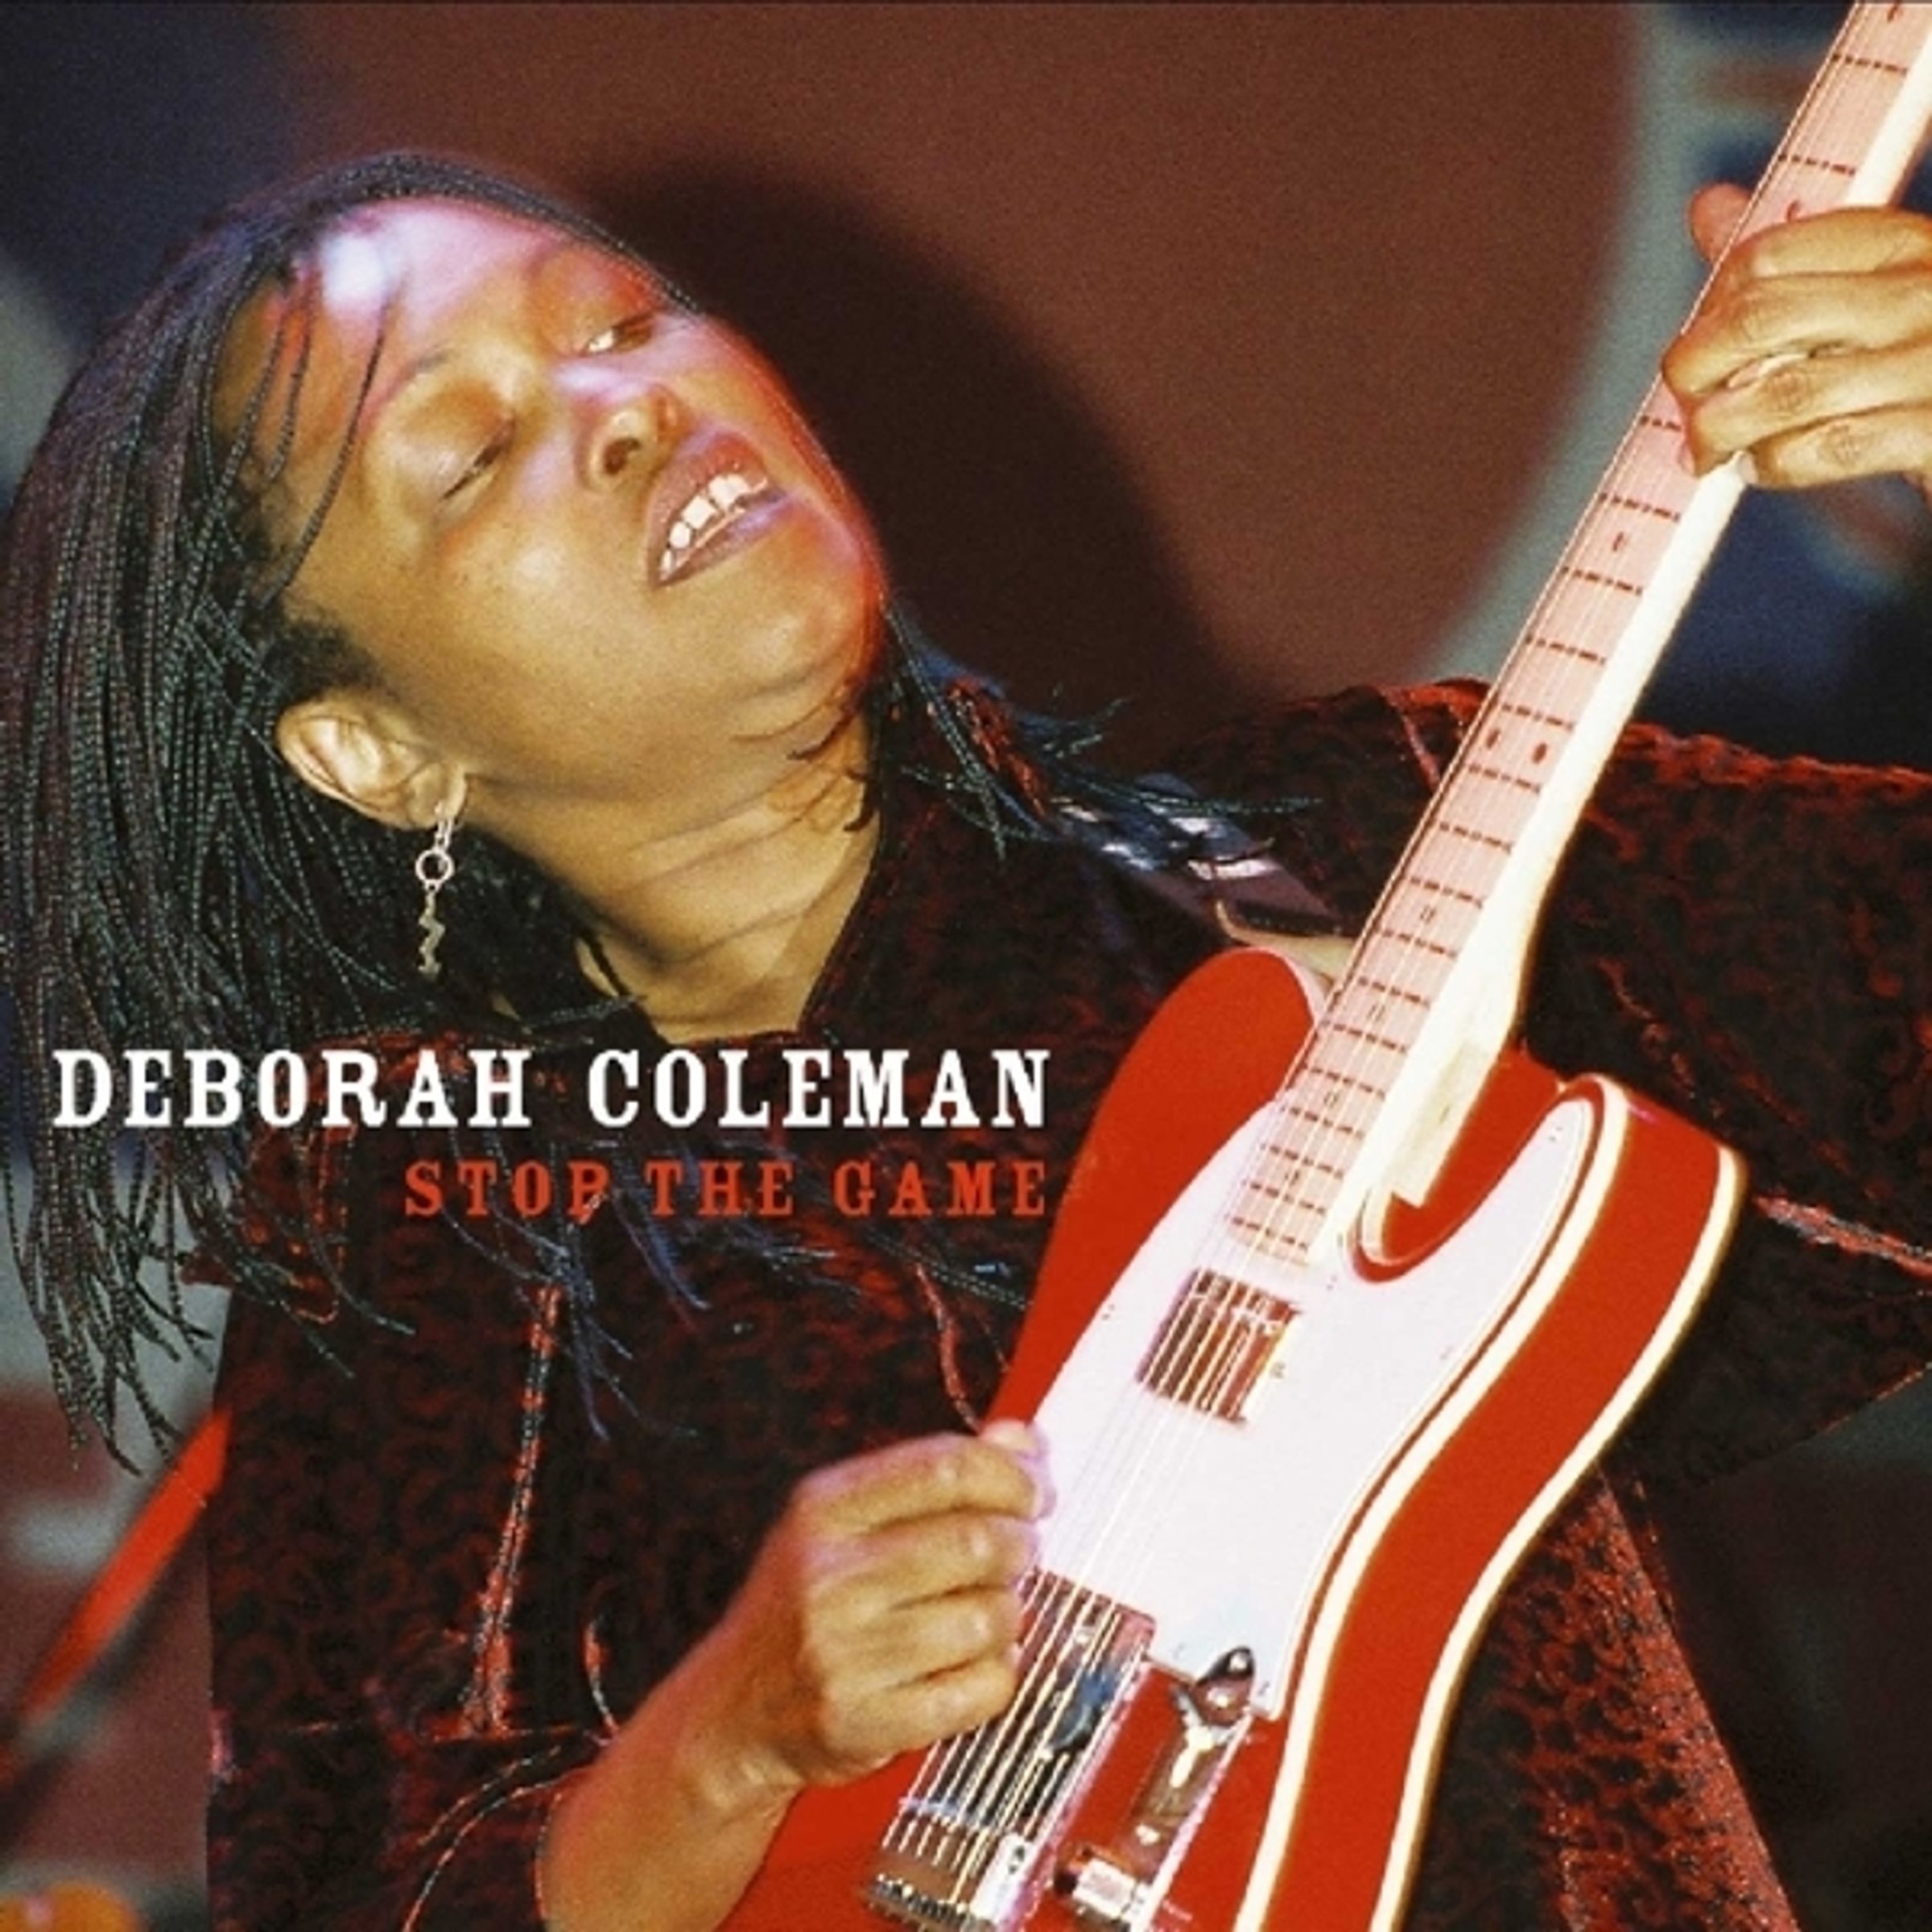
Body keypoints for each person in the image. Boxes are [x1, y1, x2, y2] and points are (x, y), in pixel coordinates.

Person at [0, 149, 1927, 1931]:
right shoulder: (429, 1224)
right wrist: (724, 1742)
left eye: (622, 321)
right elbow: (353, 1885)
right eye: (474, 448)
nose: (626, 407)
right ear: (375, 749)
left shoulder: (1380, 853)